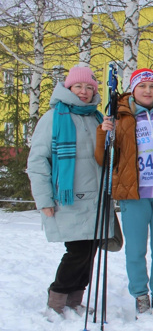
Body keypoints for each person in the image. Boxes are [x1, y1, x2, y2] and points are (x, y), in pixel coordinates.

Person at [96, 68, 153, 316]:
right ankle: (140, 294)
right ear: (133, 90)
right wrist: (104, 133)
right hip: (134, 193)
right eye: (143, 86)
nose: (148, 91)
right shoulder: (120, 116)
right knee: (136, 249)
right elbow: (104, 159)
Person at [28, 66, 106, 317]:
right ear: (69, 88)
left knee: (90, 250)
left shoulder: (96, 117)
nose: (83, 92)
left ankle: (75, 299)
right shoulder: (53, 118)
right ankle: (57, 299)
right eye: (78, 87)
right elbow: (38, 162)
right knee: (77, 252)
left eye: (89, 88)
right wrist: (44, 200)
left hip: (95, 198)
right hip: (68, 198)